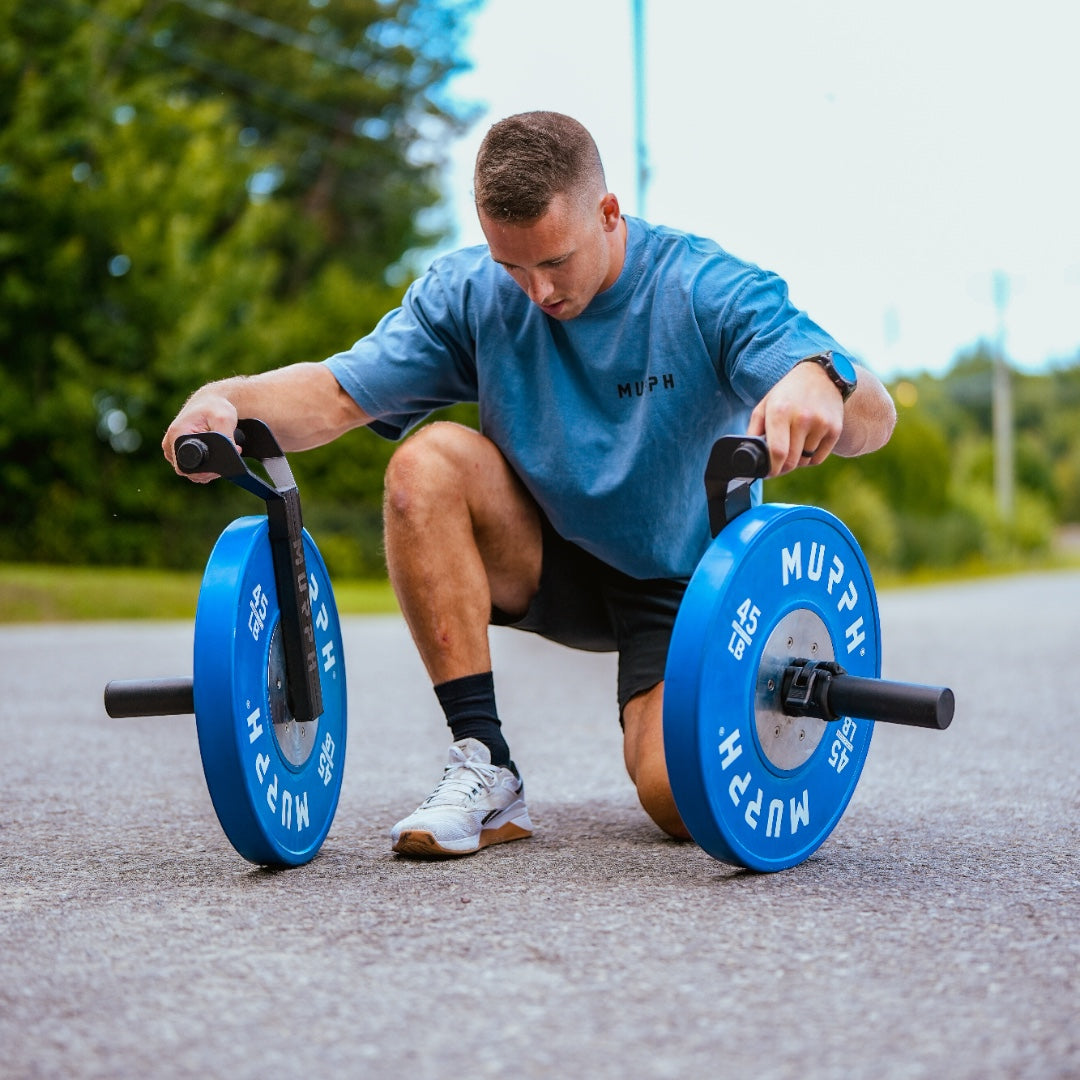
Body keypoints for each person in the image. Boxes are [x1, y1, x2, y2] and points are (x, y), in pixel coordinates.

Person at [163, 111, 897, 858]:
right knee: (426, 462)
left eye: (555, 262)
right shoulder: (473, 293)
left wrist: (823, 380)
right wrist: (228, 399)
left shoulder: (702, 288)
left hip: (681, 587)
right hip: (544, 549)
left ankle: (688, 727)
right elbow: (339, 394)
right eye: (513, 266)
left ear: (608, 213)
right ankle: (485, 764)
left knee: (683, 802)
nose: (537, 291)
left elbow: (879, 416)